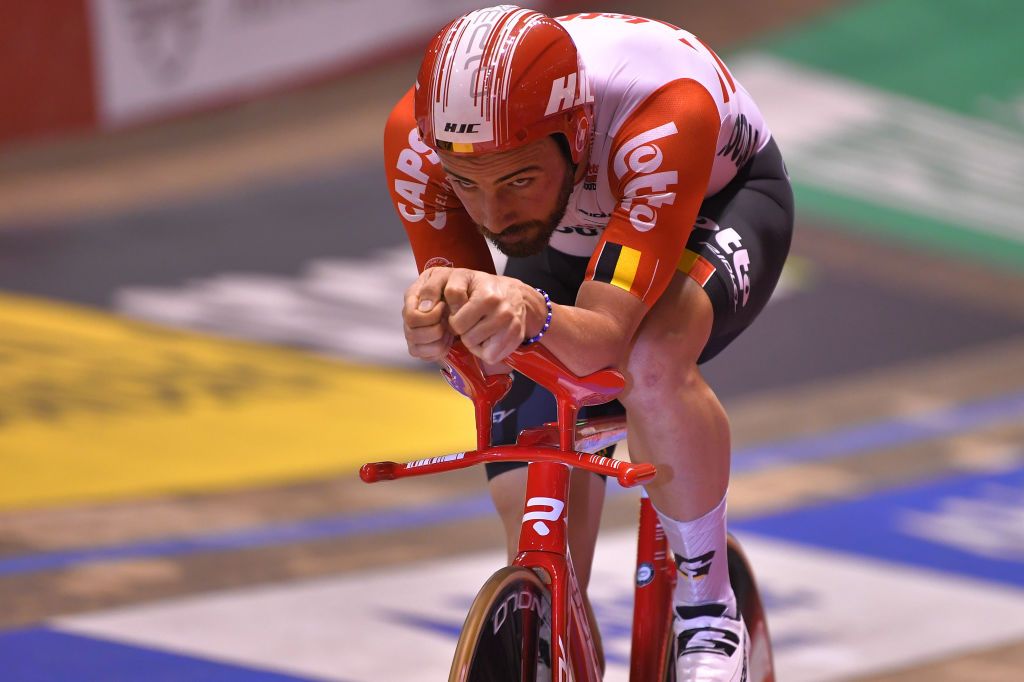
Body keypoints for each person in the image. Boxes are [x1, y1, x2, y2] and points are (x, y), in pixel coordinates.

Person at [384, 6, 793, 680]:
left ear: (574, 134)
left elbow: (603, 339)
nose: (490, 216)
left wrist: (531, 313)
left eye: (516, 179)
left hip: (712, 208)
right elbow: (470, 329)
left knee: (648, 361)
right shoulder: (414, 135)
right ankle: (562, 635)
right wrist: (440, 330)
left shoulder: (665, 113)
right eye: (466, 185)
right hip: (571, 231)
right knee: (522, 450)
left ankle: (708, 610)